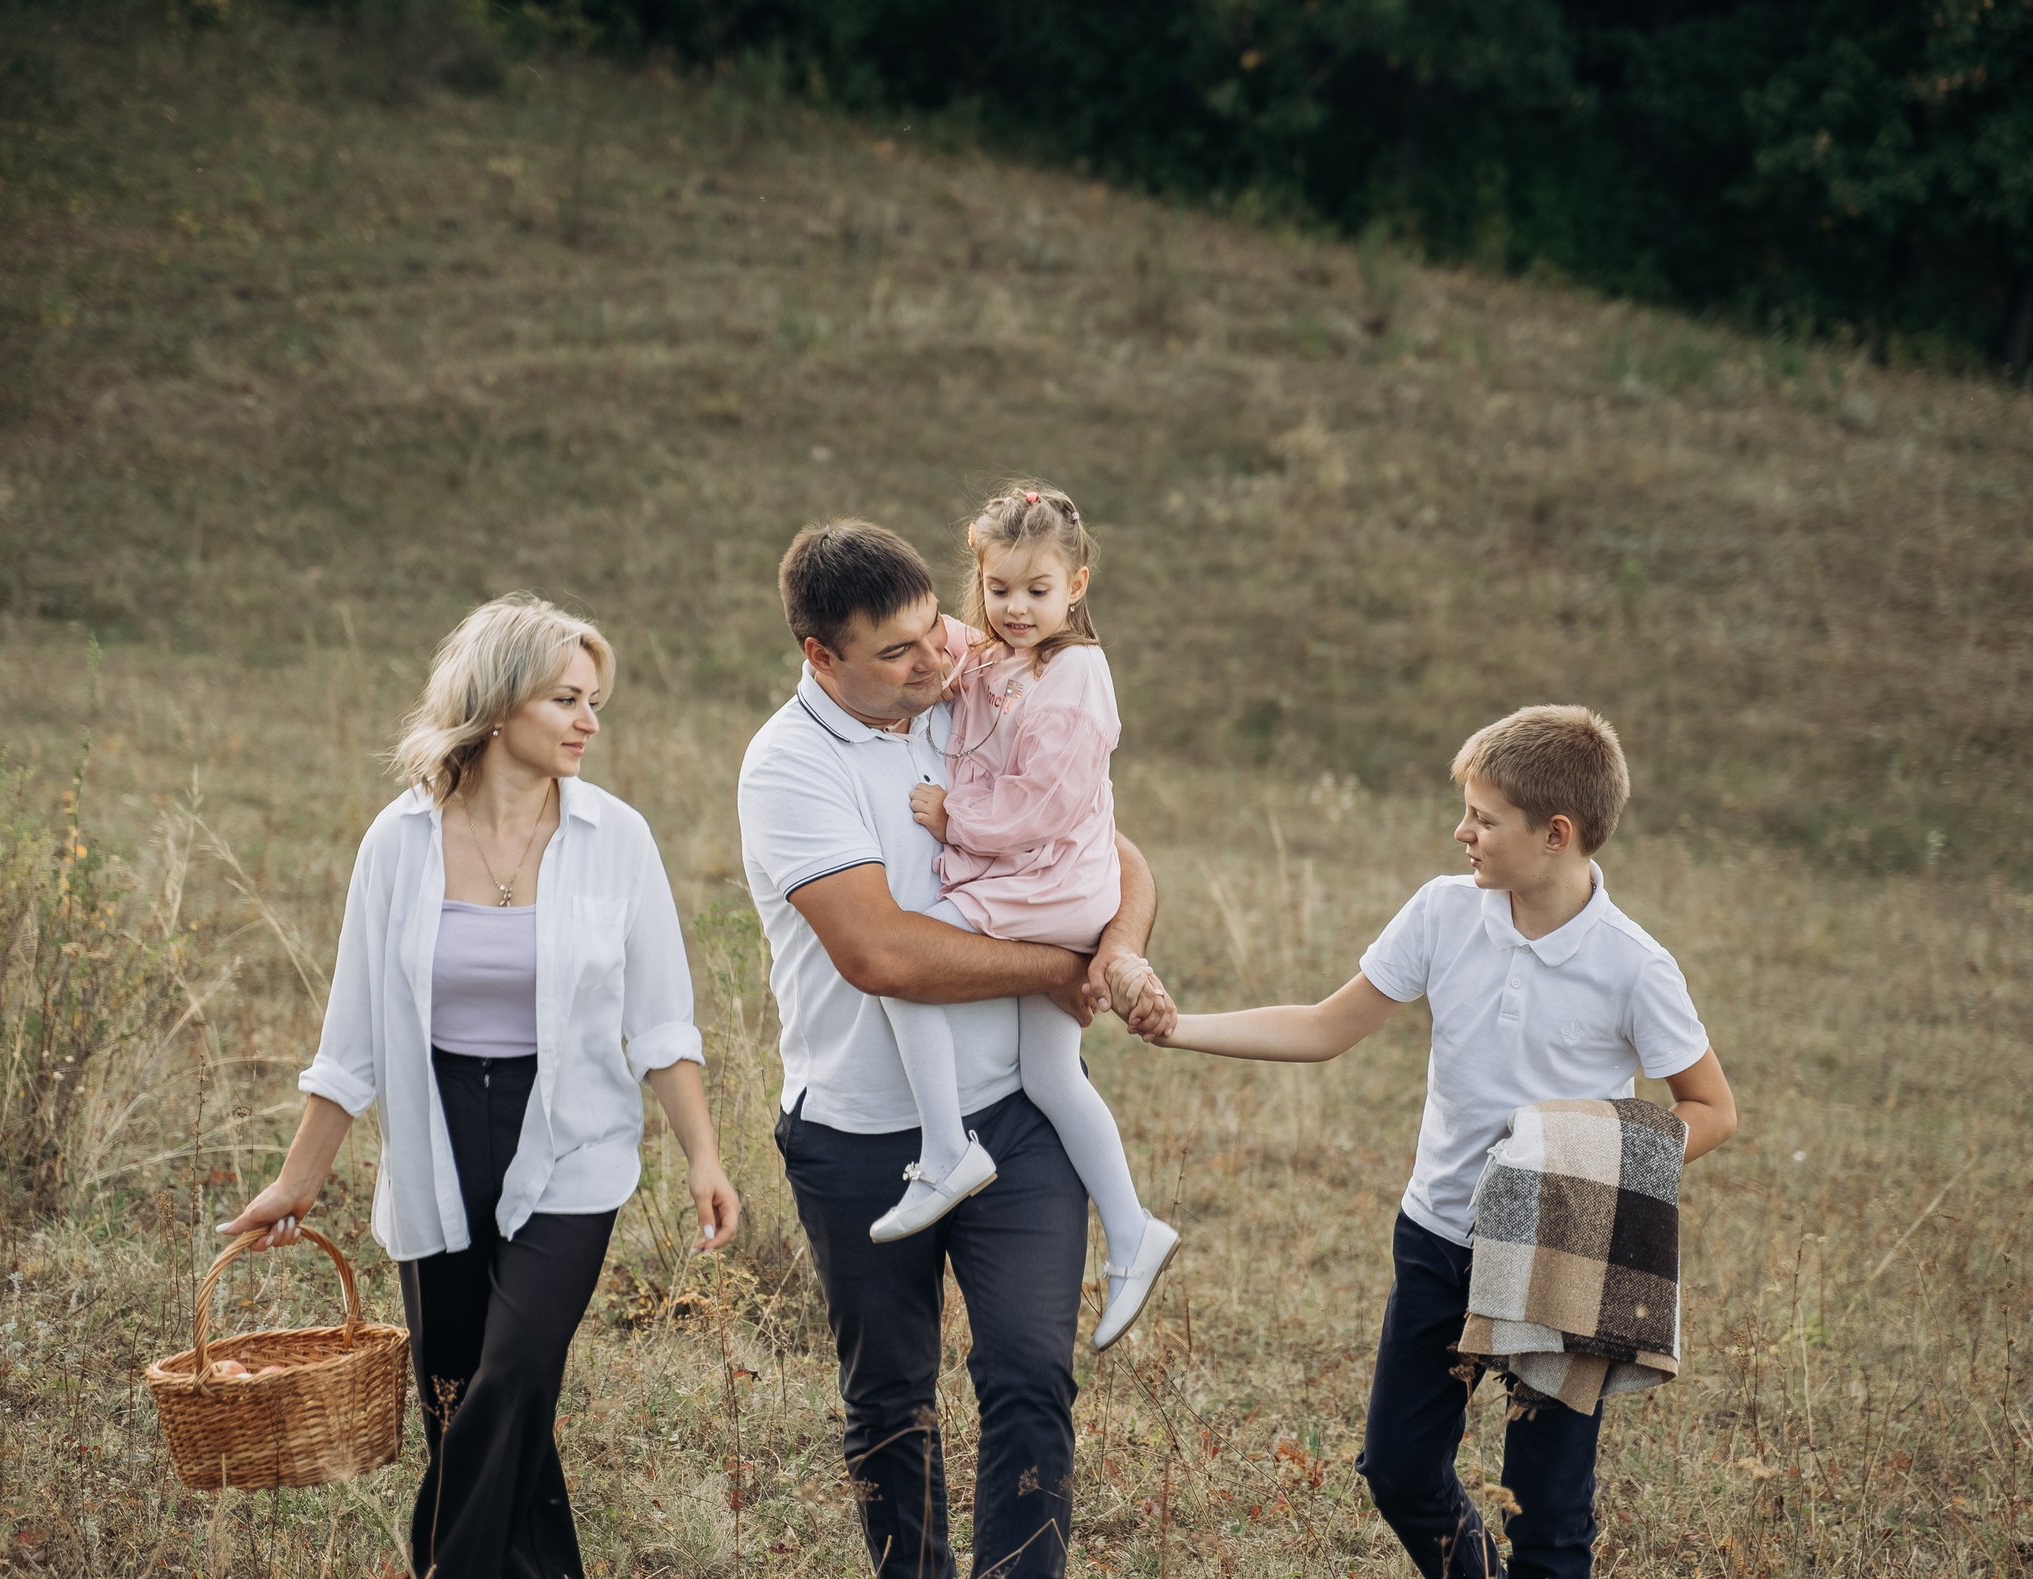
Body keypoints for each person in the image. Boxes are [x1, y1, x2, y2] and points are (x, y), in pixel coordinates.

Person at [1148, 706, 1738, 1579]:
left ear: (1556, 833)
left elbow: (1711, 1107)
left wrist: (1581, 1159)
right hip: (1438, 1237)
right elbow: (1321, 1027)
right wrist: (1176, 1027)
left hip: (1563, 1253)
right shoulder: (1442, 912)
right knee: (1398, 1468)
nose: (1461, 831)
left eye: (1484, 818)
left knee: (1549, 1513)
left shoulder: (1633, 964)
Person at [220, 594, 742, 1579]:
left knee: (511, 1374)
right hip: (438, 1135)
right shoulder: (400, 843)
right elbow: (355, 1038)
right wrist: (298, 1180)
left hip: (575, 1137)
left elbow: (662, 1022)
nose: (590, 721)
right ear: (498, 707)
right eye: (565, 700)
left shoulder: (615, 840)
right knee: (457, 1395)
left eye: (594, 700)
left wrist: (703, 1158)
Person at [738, 518, 1163, 1579]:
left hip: (1014, 1122)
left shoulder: (965, 697)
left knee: (1028, 1375)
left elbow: (1116, 857)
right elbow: (881, 955)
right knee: (890, 1402)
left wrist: (1116, 956)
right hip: (857, 1137)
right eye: (898, 650)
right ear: (820, 658)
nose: (937, 656)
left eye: (936, 627)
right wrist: (1055, 972)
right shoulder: (788, 766)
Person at [878, 483, 1180, 1354]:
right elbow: (940, 650)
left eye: (1037, 591)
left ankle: (946, 1150)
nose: (1015, 608)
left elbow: (1044, 805)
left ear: (1076, 586)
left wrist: (954, 819)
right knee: (1053, 1074)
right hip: (1047, 877)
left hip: (1047, 878)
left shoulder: (1077, 674)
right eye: (999, 588)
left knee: (908, 964)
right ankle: (1130, 1230)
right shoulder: (992, 653)